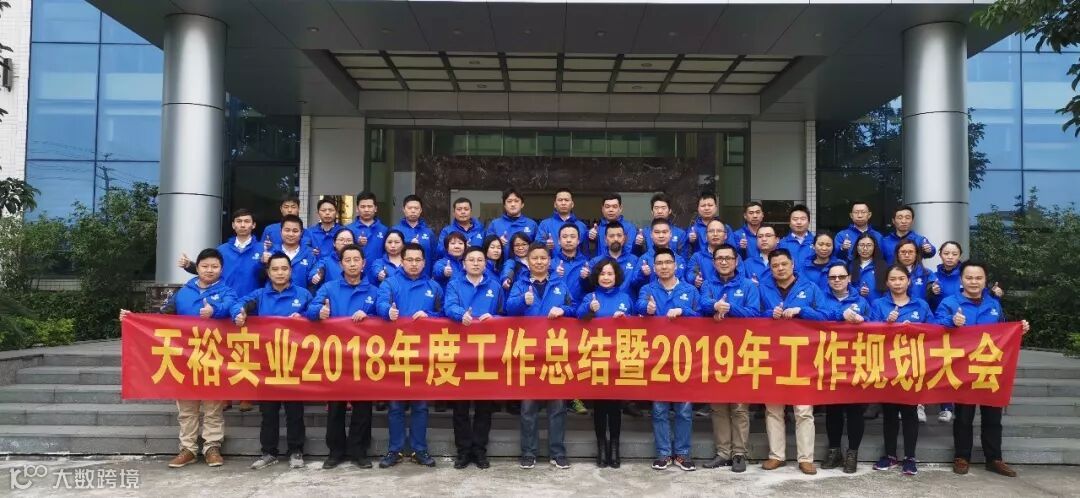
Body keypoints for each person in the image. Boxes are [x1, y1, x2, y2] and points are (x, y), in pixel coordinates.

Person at [120, 248, 235, 469]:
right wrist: (133, 319)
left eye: (215, 266)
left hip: (214, 357)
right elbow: (161, 318)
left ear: (221, 269)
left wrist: (216, 311)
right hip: (185, 357)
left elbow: (232, 309)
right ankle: (188, 448)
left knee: (213, 407)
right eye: (205, 266)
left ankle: (212, 447)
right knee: (187, 408)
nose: (209, 270)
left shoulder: (228, 292)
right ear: (197, 268)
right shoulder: (183, 293)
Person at [936, 261, 1030, 477]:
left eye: (978, 278)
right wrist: (951, 321)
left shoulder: (993, 304)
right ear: (961, 280)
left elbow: (1002, 331)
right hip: (962, 368)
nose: (974, 282)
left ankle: (994, 459)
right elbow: (934, 327)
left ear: (985, 280)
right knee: (963, 416)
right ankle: (962, 457)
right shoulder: (950, 302)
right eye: (969, 278)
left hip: (990, 367)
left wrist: (1018, 330)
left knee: (993, 416)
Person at [231, 252, 314, 470]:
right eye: (275, 269)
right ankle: (268, 452)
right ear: (268, 272)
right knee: (268, 412)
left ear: (291, 271)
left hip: (294, 362)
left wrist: (306, 318)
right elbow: (239, 303)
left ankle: (296, 450)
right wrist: (239, 313)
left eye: (284, 269)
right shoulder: (259, 295)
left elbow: (317, 315)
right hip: (266, 362)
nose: (280, 273)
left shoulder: (303, 294)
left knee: (295, 411)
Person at [304, 243, 376, 470]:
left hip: (364, 358)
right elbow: (311, 309)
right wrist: (319, 312)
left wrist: (371, 315)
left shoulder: (373, 291)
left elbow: (385, 315)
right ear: (341, 264)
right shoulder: (329, 288)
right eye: (348, 260)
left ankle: (359, 451)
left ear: (364, 263)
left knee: (363, 407)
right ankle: (335, 451)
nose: (352, 264)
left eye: (356, 260)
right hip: (335, 357)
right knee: (335, 406)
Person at [506, 243, 576, 470]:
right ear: (528, 261)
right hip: (529, 354)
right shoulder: (520, 284)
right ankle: (529, 452)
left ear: (549, 261)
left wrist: (564, 310)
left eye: (543, 258)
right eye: (534, 258)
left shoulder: (560, 284)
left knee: (558, 406)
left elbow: (575, 308)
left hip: (555, 353)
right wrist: (522, 301)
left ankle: (558, 452)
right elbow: (508, 309)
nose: (539, 262)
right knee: (528, 407)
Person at [758, 248, 825, 475]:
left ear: (792, 264)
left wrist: (802, 311)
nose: (780, 269)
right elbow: (751, 315)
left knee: (803, 410)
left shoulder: (810, 287)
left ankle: (806, 458)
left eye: (784, 264)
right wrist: (769, 314)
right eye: (775, 266)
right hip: (772, 356)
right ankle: (776, 455)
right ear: (770, 268)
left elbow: (826, 315)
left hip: (803, 357)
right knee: (773, 408)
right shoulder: (763, 288)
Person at [375, 242, 442, 468]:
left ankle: (418, 449)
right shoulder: (390, 283)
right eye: (409, 260)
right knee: (395, 406)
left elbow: (443, 313)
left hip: (423, 354)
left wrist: (430, 315)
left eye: (418, 260)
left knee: (420, 406)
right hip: (396, 352)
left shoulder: (433, 286)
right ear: (402, 261)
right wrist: (388, 311)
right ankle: (394, 449)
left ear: (424, 262)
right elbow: (380, 303)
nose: (414, 264)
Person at [637, 248, 699, 472]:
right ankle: (663, 453)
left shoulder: (690, 290)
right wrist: (647, 308)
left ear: (675, 265)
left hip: (684, 357)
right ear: (654, 267)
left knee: (684, 409)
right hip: (657, 358)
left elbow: (701, 317)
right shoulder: (648, 289)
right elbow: (638, 306)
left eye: (667, 262)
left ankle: (682, 453)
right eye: (659, 263)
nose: (664, 266)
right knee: (659, 409)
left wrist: (683, 311)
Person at [698, 244, 759, 473]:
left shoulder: (748, 285)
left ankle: (739, 453)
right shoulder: (708, 284)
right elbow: (702, 305)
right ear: (714, 262)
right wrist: (714, 305)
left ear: (736, 261)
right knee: (718, 406)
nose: (724, 262)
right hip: (714, 352)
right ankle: (723, 453)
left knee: (740, 407)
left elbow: (754, 313)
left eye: (728, 258)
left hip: (742, 351)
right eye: (719, 258)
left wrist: (730, 308)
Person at [869, 265, 934, 476]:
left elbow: (935, 332)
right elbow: (867, 334)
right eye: (893, 279)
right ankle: (890, 455)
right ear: (887, 283)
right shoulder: (879, 304)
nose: (897, 283)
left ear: (908, 281)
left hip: (912, 366)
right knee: (889, 413)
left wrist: (916, 329)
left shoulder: (921, 305)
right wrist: (885, 324)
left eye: (901, 279)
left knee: (909, 413)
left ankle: (910, 457)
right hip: (886, 366)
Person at [444, 247, 503, 470]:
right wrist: (461, 314)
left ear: (485, 264)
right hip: (461, 351)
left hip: (487, 353)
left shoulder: (494, 286)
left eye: (480, 260)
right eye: (471, 260)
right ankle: (463, 450)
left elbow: (505, 312)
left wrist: (495, 317)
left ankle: (479, 450)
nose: (476, 263)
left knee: (484, 406)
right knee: (460, 406)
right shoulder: (454, 284)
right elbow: (449, 306)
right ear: (464, 264)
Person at [576, 258, 634, 469]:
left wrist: (625, 318)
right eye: (602, 274)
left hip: (618, 359)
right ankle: (601, 445)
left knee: (615, 406)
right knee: (600, 406)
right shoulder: (590, 296)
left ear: (616, 276)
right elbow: (578, 317)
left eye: (610, 274)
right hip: (597, 358)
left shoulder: (625, 297)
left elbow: (637, 324)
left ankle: (615, 446)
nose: (606, 277)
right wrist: (589, 310)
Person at [817, 262, 870, 474]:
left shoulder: (862, 301)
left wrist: (864, 321)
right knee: (833, 410)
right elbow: (816, 317)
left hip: (856, 362)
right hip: (829, 361)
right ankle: (834, 450)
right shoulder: (821, 298)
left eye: (841, 276)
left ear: (849, 278)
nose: (837, 280)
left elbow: (875, 327)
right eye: (833, 277)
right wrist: (840, 316)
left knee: (855, 410)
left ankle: (852, 453)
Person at [178, 208, 264, 299]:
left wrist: (265, 263)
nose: (242, 225)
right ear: (233, 225)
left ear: (253, 225)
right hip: (224, 301)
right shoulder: (222, 249)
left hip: (253, 301)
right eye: (239, 221)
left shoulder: (263, 249)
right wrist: (189, 265)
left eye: (247, 221)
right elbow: (209, 272)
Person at [631, 218, 689, 291]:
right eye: (657, 232)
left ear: (670, 234)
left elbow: (685, 286)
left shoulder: (679, 259)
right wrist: (642, 274)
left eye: (664, 232)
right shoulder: (644, 259)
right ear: (651, 235)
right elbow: (633, 284)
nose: (661, 235)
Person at [588, 222, 639, 295]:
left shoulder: (634, 260)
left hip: (628, 301)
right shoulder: (595, 262)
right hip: (602, 301)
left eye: (619, 235)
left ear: (624, 238)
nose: (616, 239)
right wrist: (584, 278)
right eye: (611, 236)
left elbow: (639, 283)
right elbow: (587, 286)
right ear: (605, 239)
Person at [536, 188, 590, 257]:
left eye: (566, 200)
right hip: (551, 263)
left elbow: (585, 252)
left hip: (576, 263)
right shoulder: (545, 224)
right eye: (560, 200)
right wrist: (545, 244)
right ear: (555, 204)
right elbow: (537, 246)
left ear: (572, 204)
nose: (563, 203)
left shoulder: (581, 226)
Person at [346, 191, 390, 264]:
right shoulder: (348, 229)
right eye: (363, 207)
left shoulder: (384, 230)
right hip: (355, 269)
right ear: (357, 209)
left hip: (378, 270)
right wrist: (357, 244)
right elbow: (343, 252)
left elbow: (389, 253)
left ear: (375, 208)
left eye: (370, 206)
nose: (366, 210)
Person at [686, 192, 734, 257]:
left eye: (710, 205)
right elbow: (686, 252)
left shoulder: (725, 227)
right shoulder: (693, 229)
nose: (707, 208)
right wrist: (690, 241)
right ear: (698, 208)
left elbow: (733, 249)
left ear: (716, 208)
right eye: (703, 206)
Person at [552, 223, 591, 303]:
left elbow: (591, 290)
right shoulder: (550, 264)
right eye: (564, 237)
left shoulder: (587, 264)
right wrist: (554, 275)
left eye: (572, 237)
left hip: (580, 308)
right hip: (556, 308)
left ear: (578, 241)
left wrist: (587, 278)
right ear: (559, 241)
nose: (568, 240)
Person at [685, 219, 729, 288]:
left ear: (725, 235)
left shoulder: (734, 256)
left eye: (719, 231)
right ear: (705, 236)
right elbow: (691, 274)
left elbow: (740, 277)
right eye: (711, 231)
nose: (715, 234)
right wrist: (695, 279)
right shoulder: (697, 257)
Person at [394, 194, 437, 260]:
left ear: (421, 210)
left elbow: (435, 256)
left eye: (416, 208)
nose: (413, 211)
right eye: (409, 208)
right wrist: (408, 244)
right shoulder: (395, 230)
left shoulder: (428, 232)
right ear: (403, 209)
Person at [849, 232, 888, 304]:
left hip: (877, 306)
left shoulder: (883, 266)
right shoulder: (850, 265)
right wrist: (858, 291)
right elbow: (846, 288)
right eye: (861, 245)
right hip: (855, 306)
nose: (865, 248)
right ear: (856, 247)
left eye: (869, 245)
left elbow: (887, 290)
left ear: (874, 247)